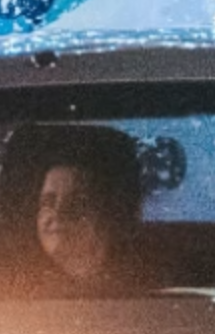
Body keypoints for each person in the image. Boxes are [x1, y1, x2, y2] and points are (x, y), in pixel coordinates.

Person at [18, 127, 142, 296]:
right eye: (48, 202)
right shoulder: (19, 296)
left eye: (77, 203)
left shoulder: (144, 294)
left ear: (113, 213)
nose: (59, 214)